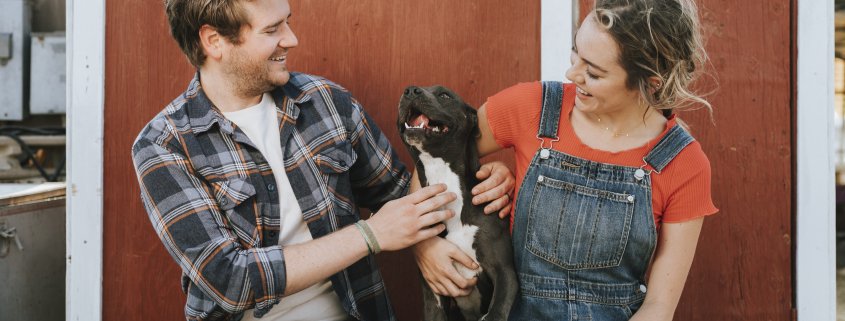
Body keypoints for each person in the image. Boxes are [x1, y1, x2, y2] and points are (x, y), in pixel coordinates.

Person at [131, 0, 514, 320]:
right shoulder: (164, 146)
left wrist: (470, 178)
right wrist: (371, 234)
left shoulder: (327, 102)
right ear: (214, 41)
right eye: (272, 30)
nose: (291, 39)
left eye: (288, 23)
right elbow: (229, 279)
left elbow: (400, 195)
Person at [413, 0, 718, 320]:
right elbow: (431, 159)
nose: (572, 73)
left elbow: (659, 307)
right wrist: (425, 247)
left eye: (594, 72)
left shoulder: (683, 164)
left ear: (650, 82)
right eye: (576, 53)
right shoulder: (528, 107)